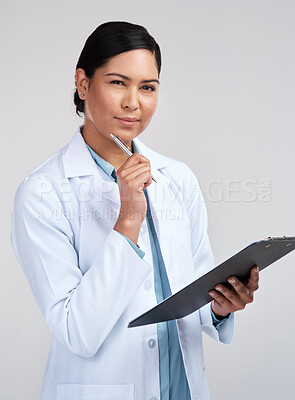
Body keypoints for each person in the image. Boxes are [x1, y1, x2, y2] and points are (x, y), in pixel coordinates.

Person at [11, 21, 259, 400]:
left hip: (181, 388)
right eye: (117, 83)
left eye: (147, 87)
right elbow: (75, 330)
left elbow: (194, 295)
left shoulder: (177, 177)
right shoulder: (42, 193)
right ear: (82, 84)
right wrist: (128, 219)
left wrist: (221, 307)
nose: (133, 102)